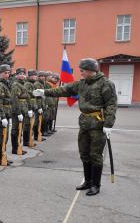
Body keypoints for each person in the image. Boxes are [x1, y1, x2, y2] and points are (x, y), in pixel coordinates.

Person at [33, 58, 117, 196]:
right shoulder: (81, 84)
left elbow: (111, 105)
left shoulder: (106, 84)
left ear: (90, 70)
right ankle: (88, 182)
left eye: (82, 70)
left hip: (98, 124)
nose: (81, 73)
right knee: (84, 153)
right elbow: (64, 90)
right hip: (84, 123)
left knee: (95, 155)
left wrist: (108, 124)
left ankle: (96, 185)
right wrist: (44, 92)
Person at [0, 64, 12, 164]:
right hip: (2, 115)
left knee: (5, 137)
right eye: (5, 73)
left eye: (8, 73)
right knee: (0, 138)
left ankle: (3, 156)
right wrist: (2, 116)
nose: (7, 75)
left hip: (7, 113)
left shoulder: (6, 84)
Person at [10, 68, 30, 155]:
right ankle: (15, 148)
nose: (22, 75)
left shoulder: (22, 84)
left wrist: (27, 109)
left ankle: (18, 147)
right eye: (20, 74)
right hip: (17, 111)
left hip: (23, 109)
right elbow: (15, 100)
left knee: (20, 129)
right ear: (17, 75)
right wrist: (18, 113)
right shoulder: (16, 85)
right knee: (16, 129)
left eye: (23, 74)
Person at [23, 69, 38, 147]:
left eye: (35, 75)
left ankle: (29, 140)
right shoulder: (27, 84)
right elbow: (28, 95)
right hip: (29, 106)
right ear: (29, 76)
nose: (35, 77)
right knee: (28, 124)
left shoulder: (32, 84)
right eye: (33, 75)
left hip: (33, 105)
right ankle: (26, 141)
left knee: (31, 123)